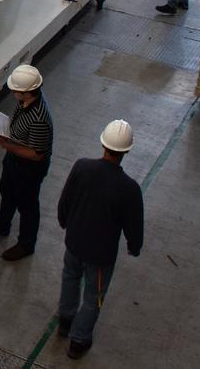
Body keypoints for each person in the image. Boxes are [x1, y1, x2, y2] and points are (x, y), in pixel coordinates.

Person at [55, 120, 144, 360]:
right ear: (126, 151)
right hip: (100, 255)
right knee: (94, 297)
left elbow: (66, 199)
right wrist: (134, 247)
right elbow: (134, 225)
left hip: (74, 242)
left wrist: (64, 221)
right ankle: (78, 340)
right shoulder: (130, 189)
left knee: (70, 278)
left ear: (103, 142)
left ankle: (65, 321)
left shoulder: (82, 167)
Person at [0, 65, 53, 261]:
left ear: (27, 92)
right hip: (15, 159)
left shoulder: (39, 119)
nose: (12, 91)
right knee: (7, 191)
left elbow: (36, 154)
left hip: (29, 168)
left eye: (15, 89)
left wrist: (4, 144)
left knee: (27, 206)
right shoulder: (26, 102)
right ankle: (1, 224)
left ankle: (26, 245)